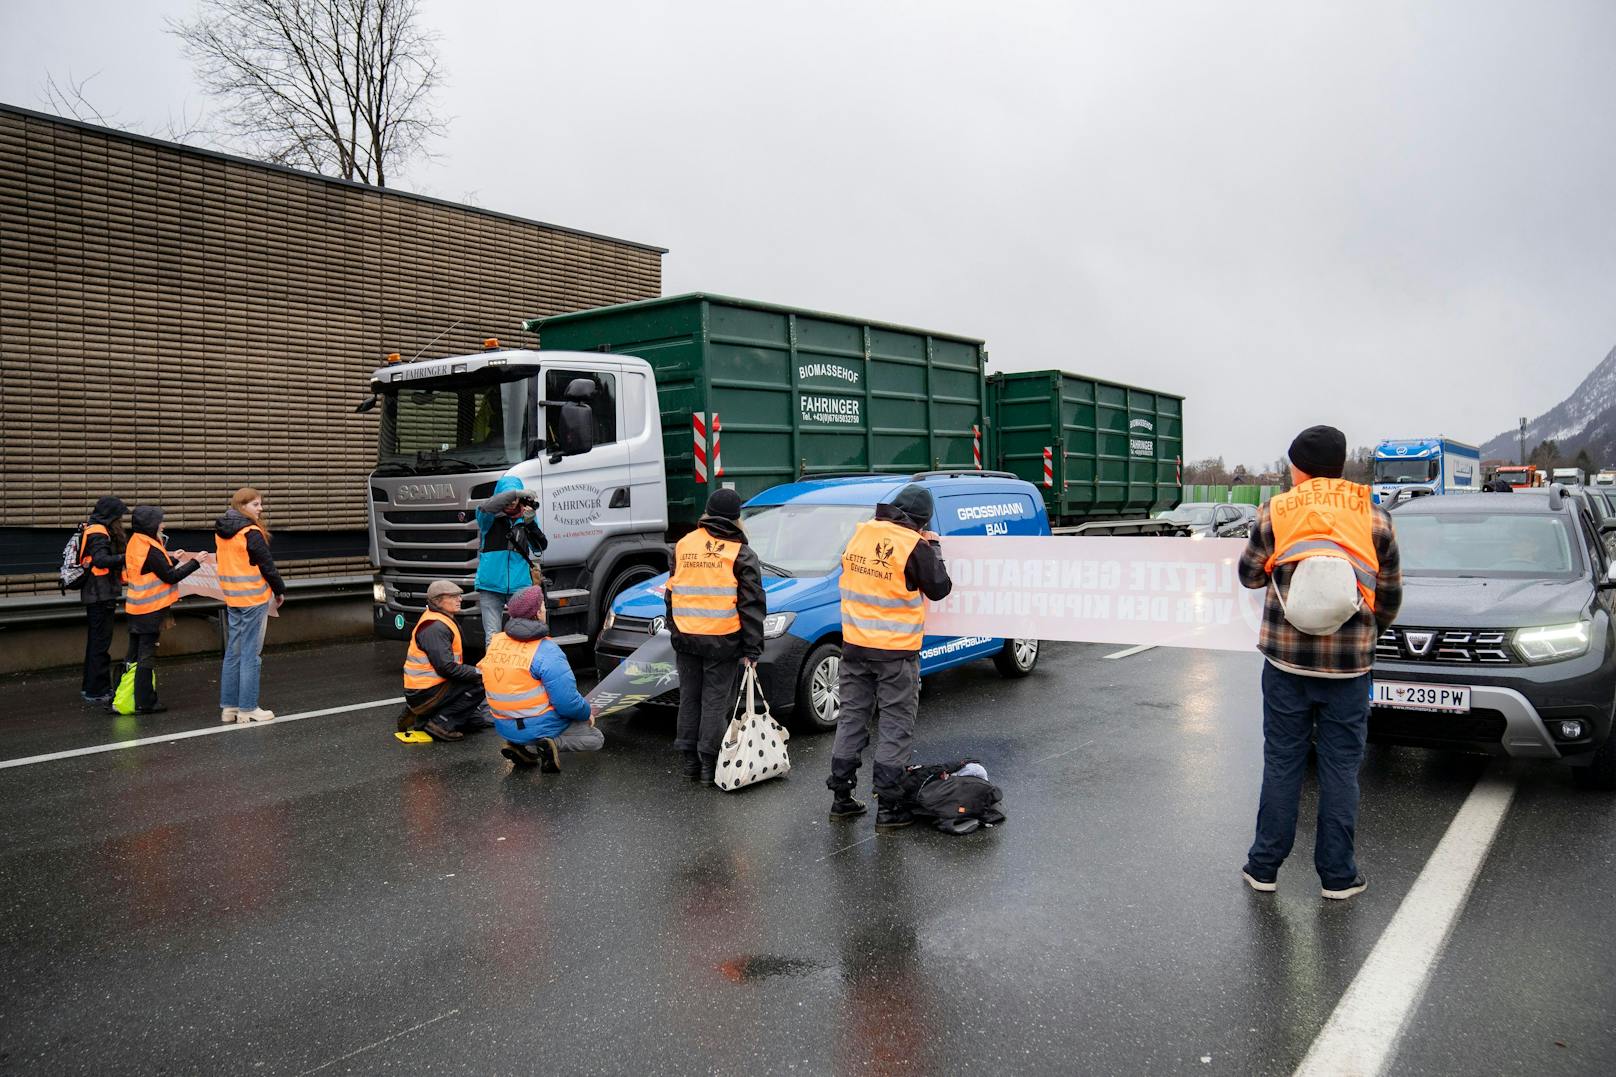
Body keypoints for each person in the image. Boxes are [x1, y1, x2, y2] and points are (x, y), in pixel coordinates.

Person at [1237, 425, 1402, 901]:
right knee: (1341, 769)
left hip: (1286, 664)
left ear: (1299, 468)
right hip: (1349, 669)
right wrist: (1366, 633)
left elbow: (1249, 576)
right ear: (1341, 465)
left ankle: (1263, 867)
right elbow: (1388, 598)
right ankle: (1338, 876)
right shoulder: (1376, 519)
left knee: (1283, 763)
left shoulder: (1276, 512)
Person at [825, 483, 953, 830]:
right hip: (895, 652)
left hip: (854, 646)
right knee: (895, 725)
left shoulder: (861, 533)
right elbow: (940, 588)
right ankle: (890, 809)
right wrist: (934, 547)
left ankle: (841, 798)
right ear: (921, 521)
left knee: (851, 718)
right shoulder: (914, 545)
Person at [666, 488, 766, 784]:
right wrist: (753, 649)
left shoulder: (684, 544)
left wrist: (675, 629)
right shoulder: (741, 553)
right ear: (737, 518)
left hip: (686, 637)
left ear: (707, 513)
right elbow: (751, 606)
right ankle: (710, 766)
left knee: (690, 698)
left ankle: (689, 762)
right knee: (715, 703)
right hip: (722, 639)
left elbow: (671, 593)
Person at [479, 584, 600, 771]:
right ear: (537, 613)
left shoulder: (497, 642)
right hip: (537, 725)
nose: (545, 609)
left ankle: (520, 747)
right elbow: (567, 702)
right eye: (543, 606)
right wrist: (586, 713)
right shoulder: (546, 650)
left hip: (504, 726)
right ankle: (544, 745)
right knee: (595, 738)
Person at [121, 505, 208, 715]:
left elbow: (151, 569)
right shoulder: (150, 547)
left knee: (132, 656)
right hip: (150, 609)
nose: (164, 524)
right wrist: (195, 562)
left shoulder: (137, 541)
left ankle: (124, 696)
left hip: (136, 606)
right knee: (145, 656)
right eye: (161, 520)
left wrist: (174, 559)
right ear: (151, 524)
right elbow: (170, 576)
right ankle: (144, 701)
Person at [214, 487, 285, 723]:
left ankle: (230, 708)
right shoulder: (250, 532)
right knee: (250, 655)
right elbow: (267, 565)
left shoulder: (222, 531)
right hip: (253, 598)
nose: (261, 508)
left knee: (233, 652)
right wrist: (279, 589)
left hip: (232, 597)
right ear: (242, 506)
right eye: (256, 504)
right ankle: (248, 709)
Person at [399, 580, 490, 742]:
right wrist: (479, 673)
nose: (460, 599)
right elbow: (446, 667)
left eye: (459, 595)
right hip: (426, 692)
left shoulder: (441, 619)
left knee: (477, 722)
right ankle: (440, 724)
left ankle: (424, 718)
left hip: (430, 688)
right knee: (482, 681)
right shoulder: (435, 627)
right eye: (453, 596)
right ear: (437, 601)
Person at [475, 475, 549, 648]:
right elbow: (488, 506)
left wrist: (531, 525)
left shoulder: (526, 516)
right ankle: (494, 674)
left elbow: (539, 547)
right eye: (506, 496)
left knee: (524, 634)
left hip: (519, 585)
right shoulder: (487, 517)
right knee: (493, 638)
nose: (510, 502)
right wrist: (515, 492)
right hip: (490, 585)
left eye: (514, 498)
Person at [78, 496, 128, 704]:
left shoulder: (93, 528)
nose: (121, 520)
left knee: (95, 643)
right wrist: (129, 556)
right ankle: (97, 691)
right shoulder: (99, 532)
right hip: (100, 594)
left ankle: (90, 687)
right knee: (100, 644)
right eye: (119, 515)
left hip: (96, 593)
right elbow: (101, 560)